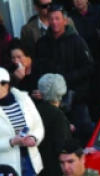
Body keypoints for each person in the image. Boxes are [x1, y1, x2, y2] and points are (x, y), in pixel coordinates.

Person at [0, 66, 45, 176]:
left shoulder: (24, 98)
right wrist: (11, 142)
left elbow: (38, 126)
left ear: (6, 85)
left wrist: (34, 138)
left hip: (29, 161)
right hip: (4, 169)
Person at [34, 4, 95, 135]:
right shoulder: (42, 43)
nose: (54, 22)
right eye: (51, 19)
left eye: (57, 18)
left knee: (84, 132)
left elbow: (89, 67)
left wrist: (64, 79)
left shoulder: (77, 41)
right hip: (51, 101)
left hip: (76, 97)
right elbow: (37, 69)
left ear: (65, 20)